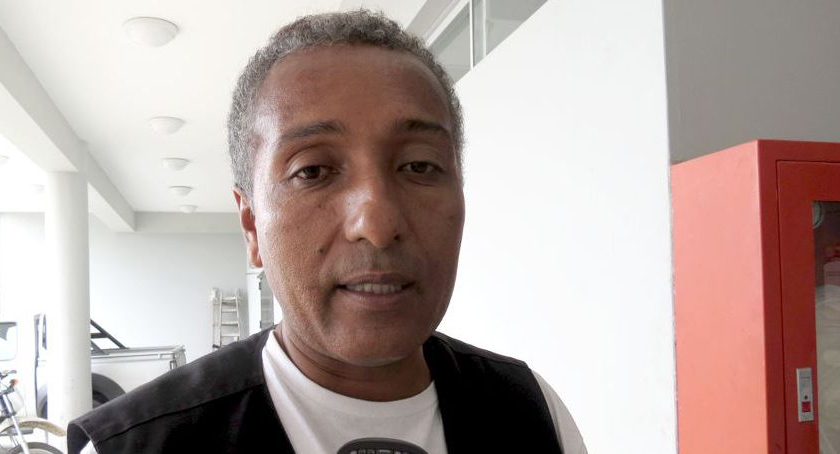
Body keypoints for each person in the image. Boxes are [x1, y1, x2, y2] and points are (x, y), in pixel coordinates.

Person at [69, 9, 586, 454]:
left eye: (419, 166)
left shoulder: (532, 413)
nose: (377, 225)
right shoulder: (136, 444)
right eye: (313, 171)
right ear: (251, 224)